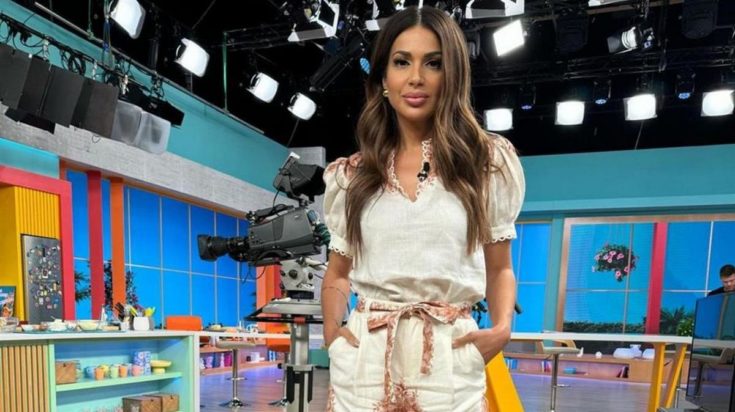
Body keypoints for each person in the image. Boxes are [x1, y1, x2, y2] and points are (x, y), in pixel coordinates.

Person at [319, 6, 525, 412]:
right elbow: (339, 270)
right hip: (365, 361)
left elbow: (499, 266)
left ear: (453, 75)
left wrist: (502, 329)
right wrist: (331, 333)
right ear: (383, 79)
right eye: (401, 62)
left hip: (448, 356)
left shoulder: (485, 163)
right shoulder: (353, 176)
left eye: (434, 63)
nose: (416, 77)